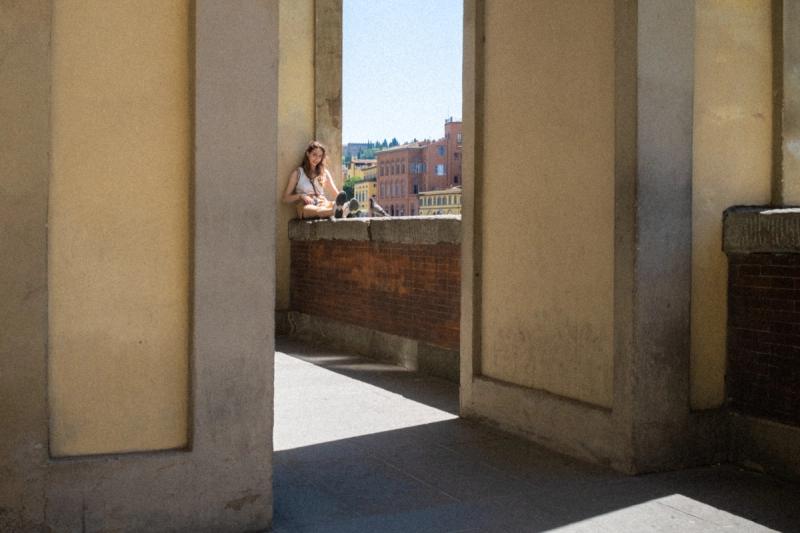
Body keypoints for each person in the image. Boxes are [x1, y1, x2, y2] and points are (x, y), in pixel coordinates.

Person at [282, 141, 358, 219]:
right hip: (305, 205)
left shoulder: (324, 172)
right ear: (308, 154)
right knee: (318, 211)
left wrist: (340, 200)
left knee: (333, 204)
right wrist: (301, 196)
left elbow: (336, 194)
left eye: (320, 156)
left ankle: (344, 207)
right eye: (314, 155)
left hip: (322, 202)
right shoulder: (298, 173)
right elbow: (285, 198)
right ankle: (339, 211)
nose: (317, 159)